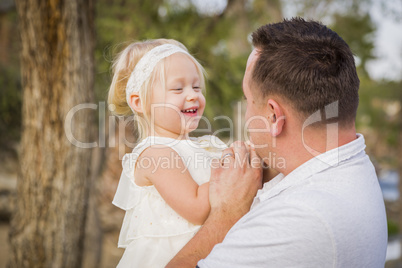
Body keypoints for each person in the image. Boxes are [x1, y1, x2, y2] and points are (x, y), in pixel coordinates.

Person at [167, 18, 388, 267]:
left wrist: (227, 213)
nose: (248, 116)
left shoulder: (297, 220)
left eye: (248, 100)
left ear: (273, 116)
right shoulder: (350, 165)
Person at [108, 39, 226, 267]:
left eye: (196, 86)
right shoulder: (155, 154)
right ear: (139, 102)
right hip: (172, 257)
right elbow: (197, 209)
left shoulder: (207, 145)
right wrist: (232, 167)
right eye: (178, 88)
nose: (192, 95)